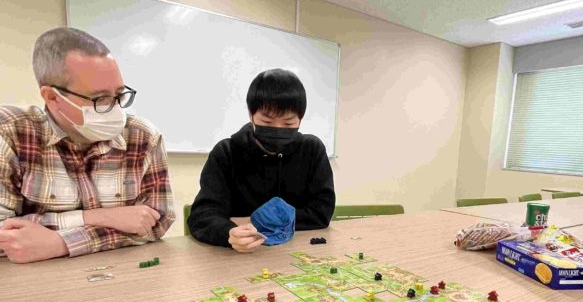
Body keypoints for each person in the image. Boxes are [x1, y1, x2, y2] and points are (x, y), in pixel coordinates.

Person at [0, 27, 175, 263]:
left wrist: (61, 243)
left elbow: (157, 223)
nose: (115, 109)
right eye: (100, 99)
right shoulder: (9, 132)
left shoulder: (143, 137)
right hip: (33, 280)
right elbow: (5, 235)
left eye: (120, 94)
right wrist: (100, 217)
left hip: (122, 272)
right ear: (52, 97)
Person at [188, 69, 335, 252]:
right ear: (251, 115)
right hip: (242, 254)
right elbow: (202, 215)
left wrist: (254, 220)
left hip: (297, 249)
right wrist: (229, 232)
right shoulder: (226, 153)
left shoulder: (312, 150)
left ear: (300, 119)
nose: (278, 128)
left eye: (288, 123)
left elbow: (321, 213)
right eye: (267, 122)